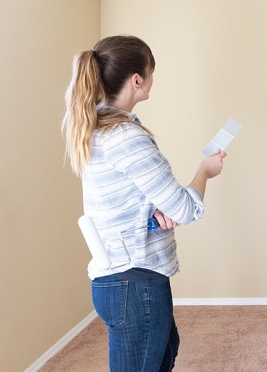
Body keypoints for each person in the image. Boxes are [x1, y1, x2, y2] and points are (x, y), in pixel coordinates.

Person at [62, 35, 226, 371]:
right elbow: (185, 208)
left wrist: (150, 208)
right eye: (152, 72)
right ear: (138, 80)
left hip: (124, 276)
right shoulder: (125, 137)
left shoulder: (97, 129)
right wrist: (204, 171)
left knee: (166, 350)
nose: (153, 79)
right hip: (134, 280)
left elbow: (120, 193)